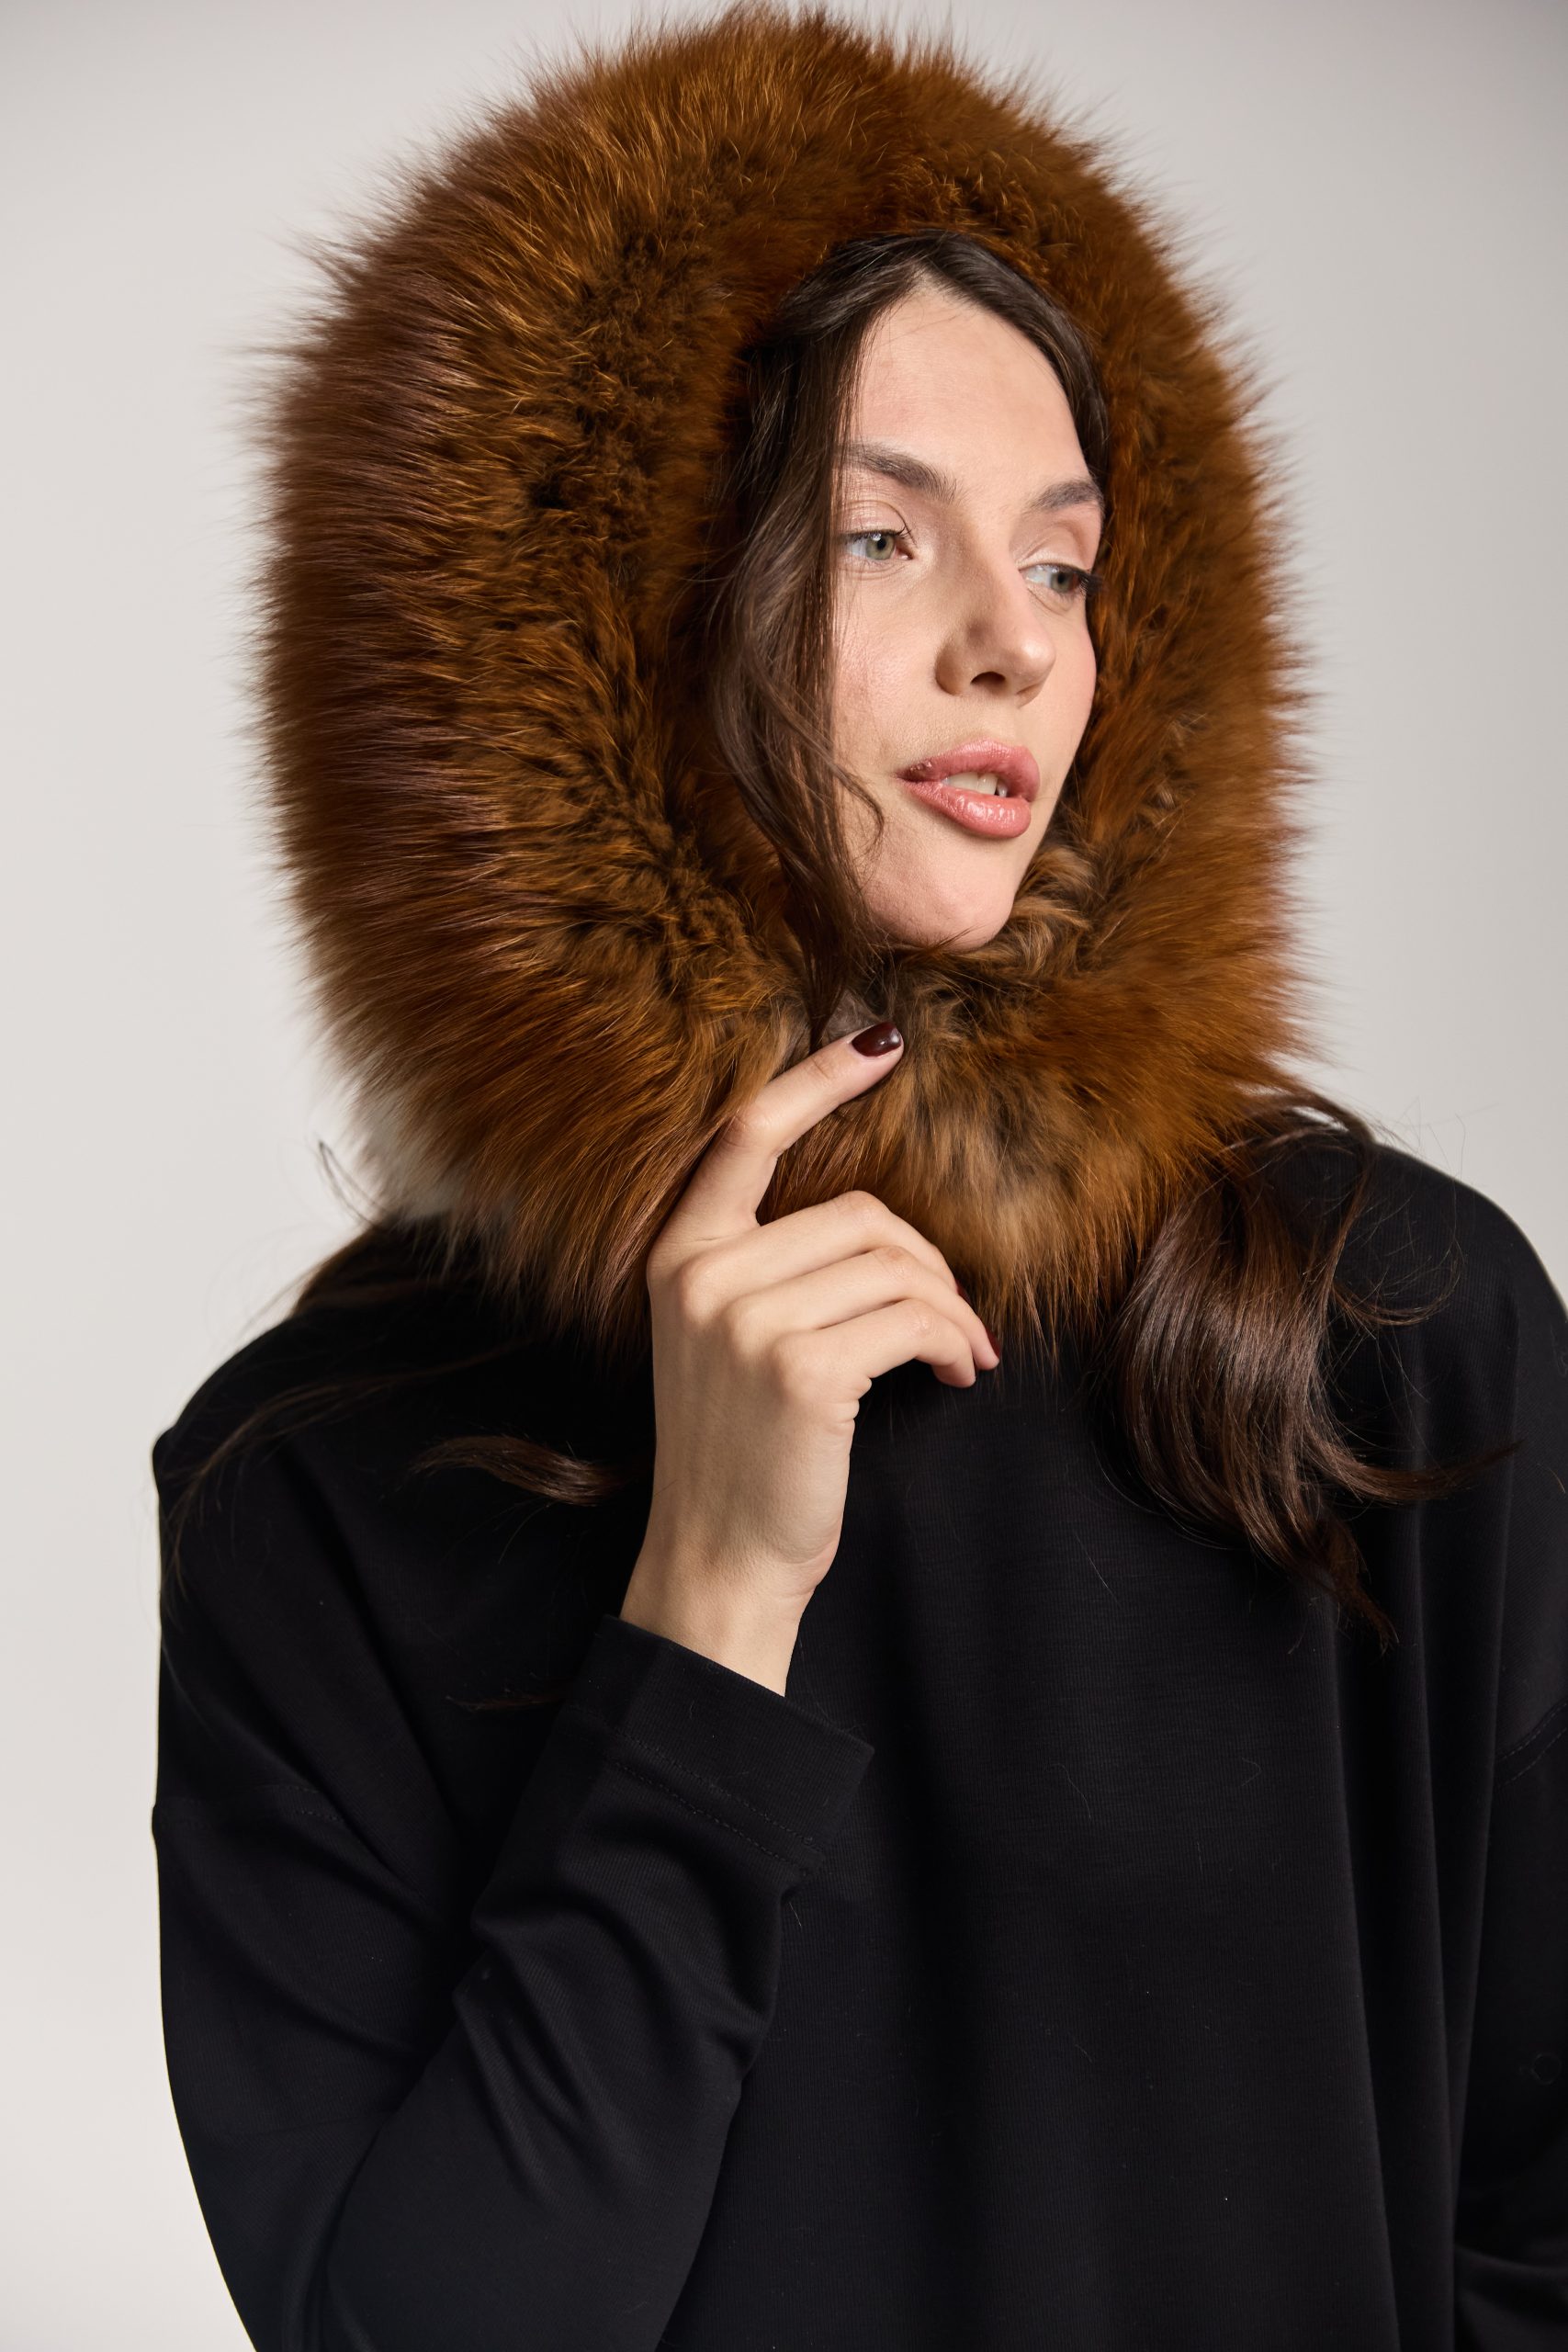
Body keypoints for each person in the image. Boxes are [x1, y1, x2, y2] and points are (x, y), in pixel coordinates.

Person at [150, 6, 1568, 2346]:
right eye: (876, 535)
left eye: (1064, 562)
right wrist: (706, 1602)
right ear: (600, 624)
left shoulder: (1379, 1335)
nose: (1009, 643)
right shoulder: (319, 1483)